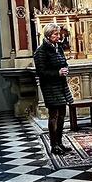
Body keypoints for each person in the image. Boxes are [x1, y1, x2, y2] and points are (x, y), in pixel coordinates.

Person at [33, 23, 73, 155]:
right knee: (54, 115)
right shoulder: (41, 51)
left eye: (58, 34)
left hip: (61, 85)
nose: (58, 36)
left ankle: (60, 142)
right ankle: (54, 145)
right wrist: (57, 73)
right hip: (50, 87)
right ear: (48, 35)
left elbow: (64, 62)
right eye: (55, 34)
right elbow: (41, 72)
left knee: (62, 114)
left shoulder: (58, 47)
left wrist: (65, 69)